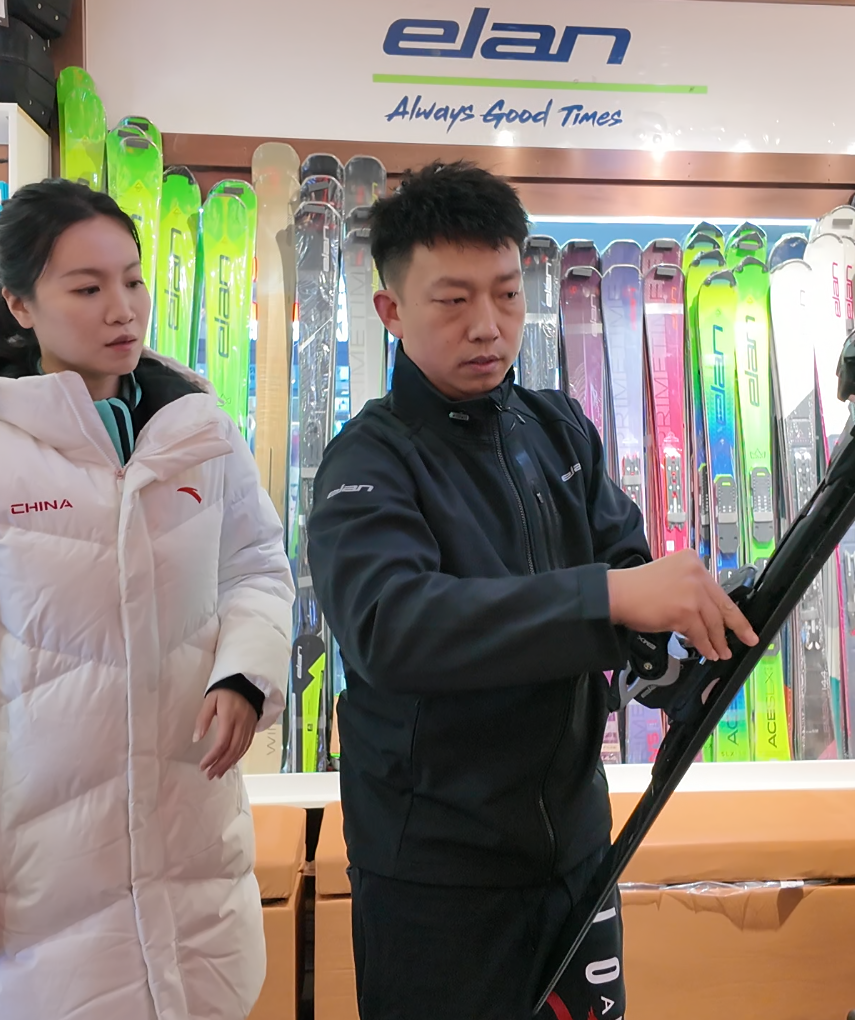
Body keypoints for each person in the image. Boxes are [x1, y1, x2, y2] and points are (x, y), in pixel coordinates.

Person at [307, 161, 757, 1019]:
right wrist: (607, 599)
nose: (487, 325)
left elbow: (626, 573)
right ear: (390, 310)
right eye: (453, 300)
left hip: (576, 852)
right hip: (436, 877)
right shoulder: (367, 460)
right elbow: (392, 627)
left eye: (507, 294)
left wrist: (673, 650)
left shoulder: (556, 429)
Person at [0, 180, 294, 1020]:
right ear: (20, 303)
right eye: (87, 288)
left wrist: (245, 673)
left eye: (132, 280)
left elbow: (256, 567)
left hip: (191, 864)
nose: (121, 309)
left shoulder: (201, 434)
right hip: (38, 882)